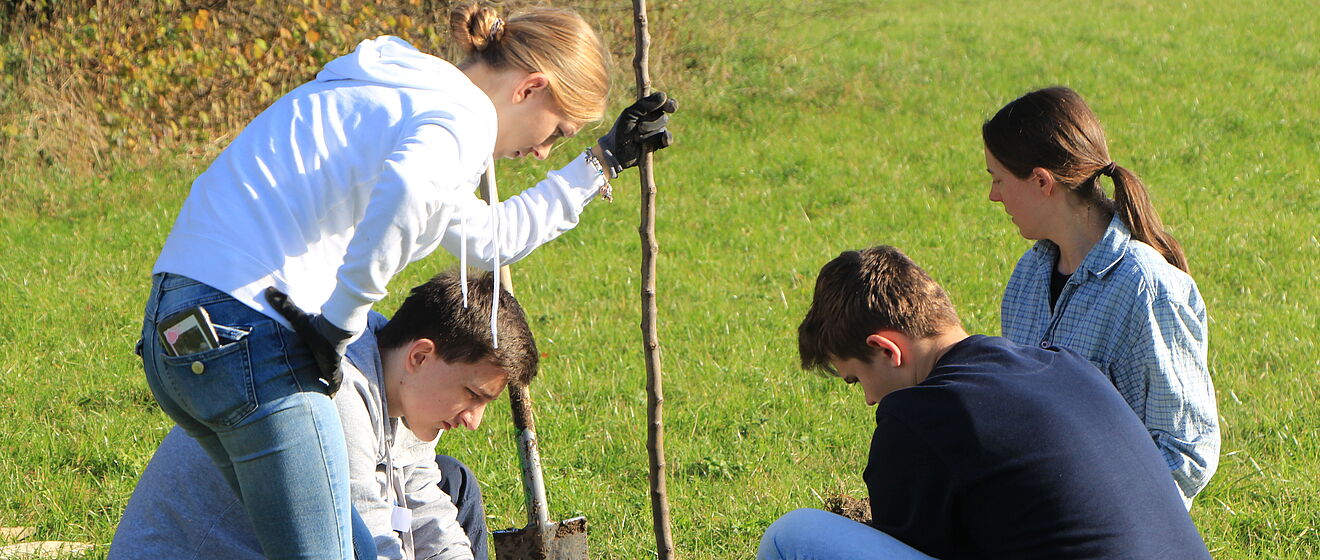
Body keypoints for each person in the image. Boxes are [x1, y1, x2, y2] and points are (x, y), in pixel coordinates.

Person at [135, 1, 676, 557]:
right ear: (530, 87)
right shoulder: (461, 115)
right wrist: (340, 322)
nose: (541, 152)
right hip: (249, 326)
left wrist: (601, 162)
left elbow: (488, 238)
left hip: (179, 328)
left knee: (340, 543)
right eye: (557, 132)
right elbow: (409, 191)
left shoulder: (413, 102)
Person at [758, 245, 1212, 560]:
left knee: (792, 536)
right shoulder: (1066, 365)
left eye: (857, 379)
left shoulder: (917, 416)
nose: (870, 399)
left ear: (887, 350)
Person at [115, 270, 533, 560]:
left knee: (453, 481)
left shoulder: (405, 383)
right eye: (472, 395)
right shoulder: (332, 390)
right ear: (420, 356)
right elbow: (367, 537)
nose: (473, 420)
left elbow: (422, 501)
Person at [982, 86, 1217, 505]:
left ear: (1042, 181)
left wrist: (1087, 514)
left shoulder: (1147, 289)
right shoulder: (1027, 276)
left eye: (998, 179)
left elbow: (1186, 454)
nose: (993, 195)